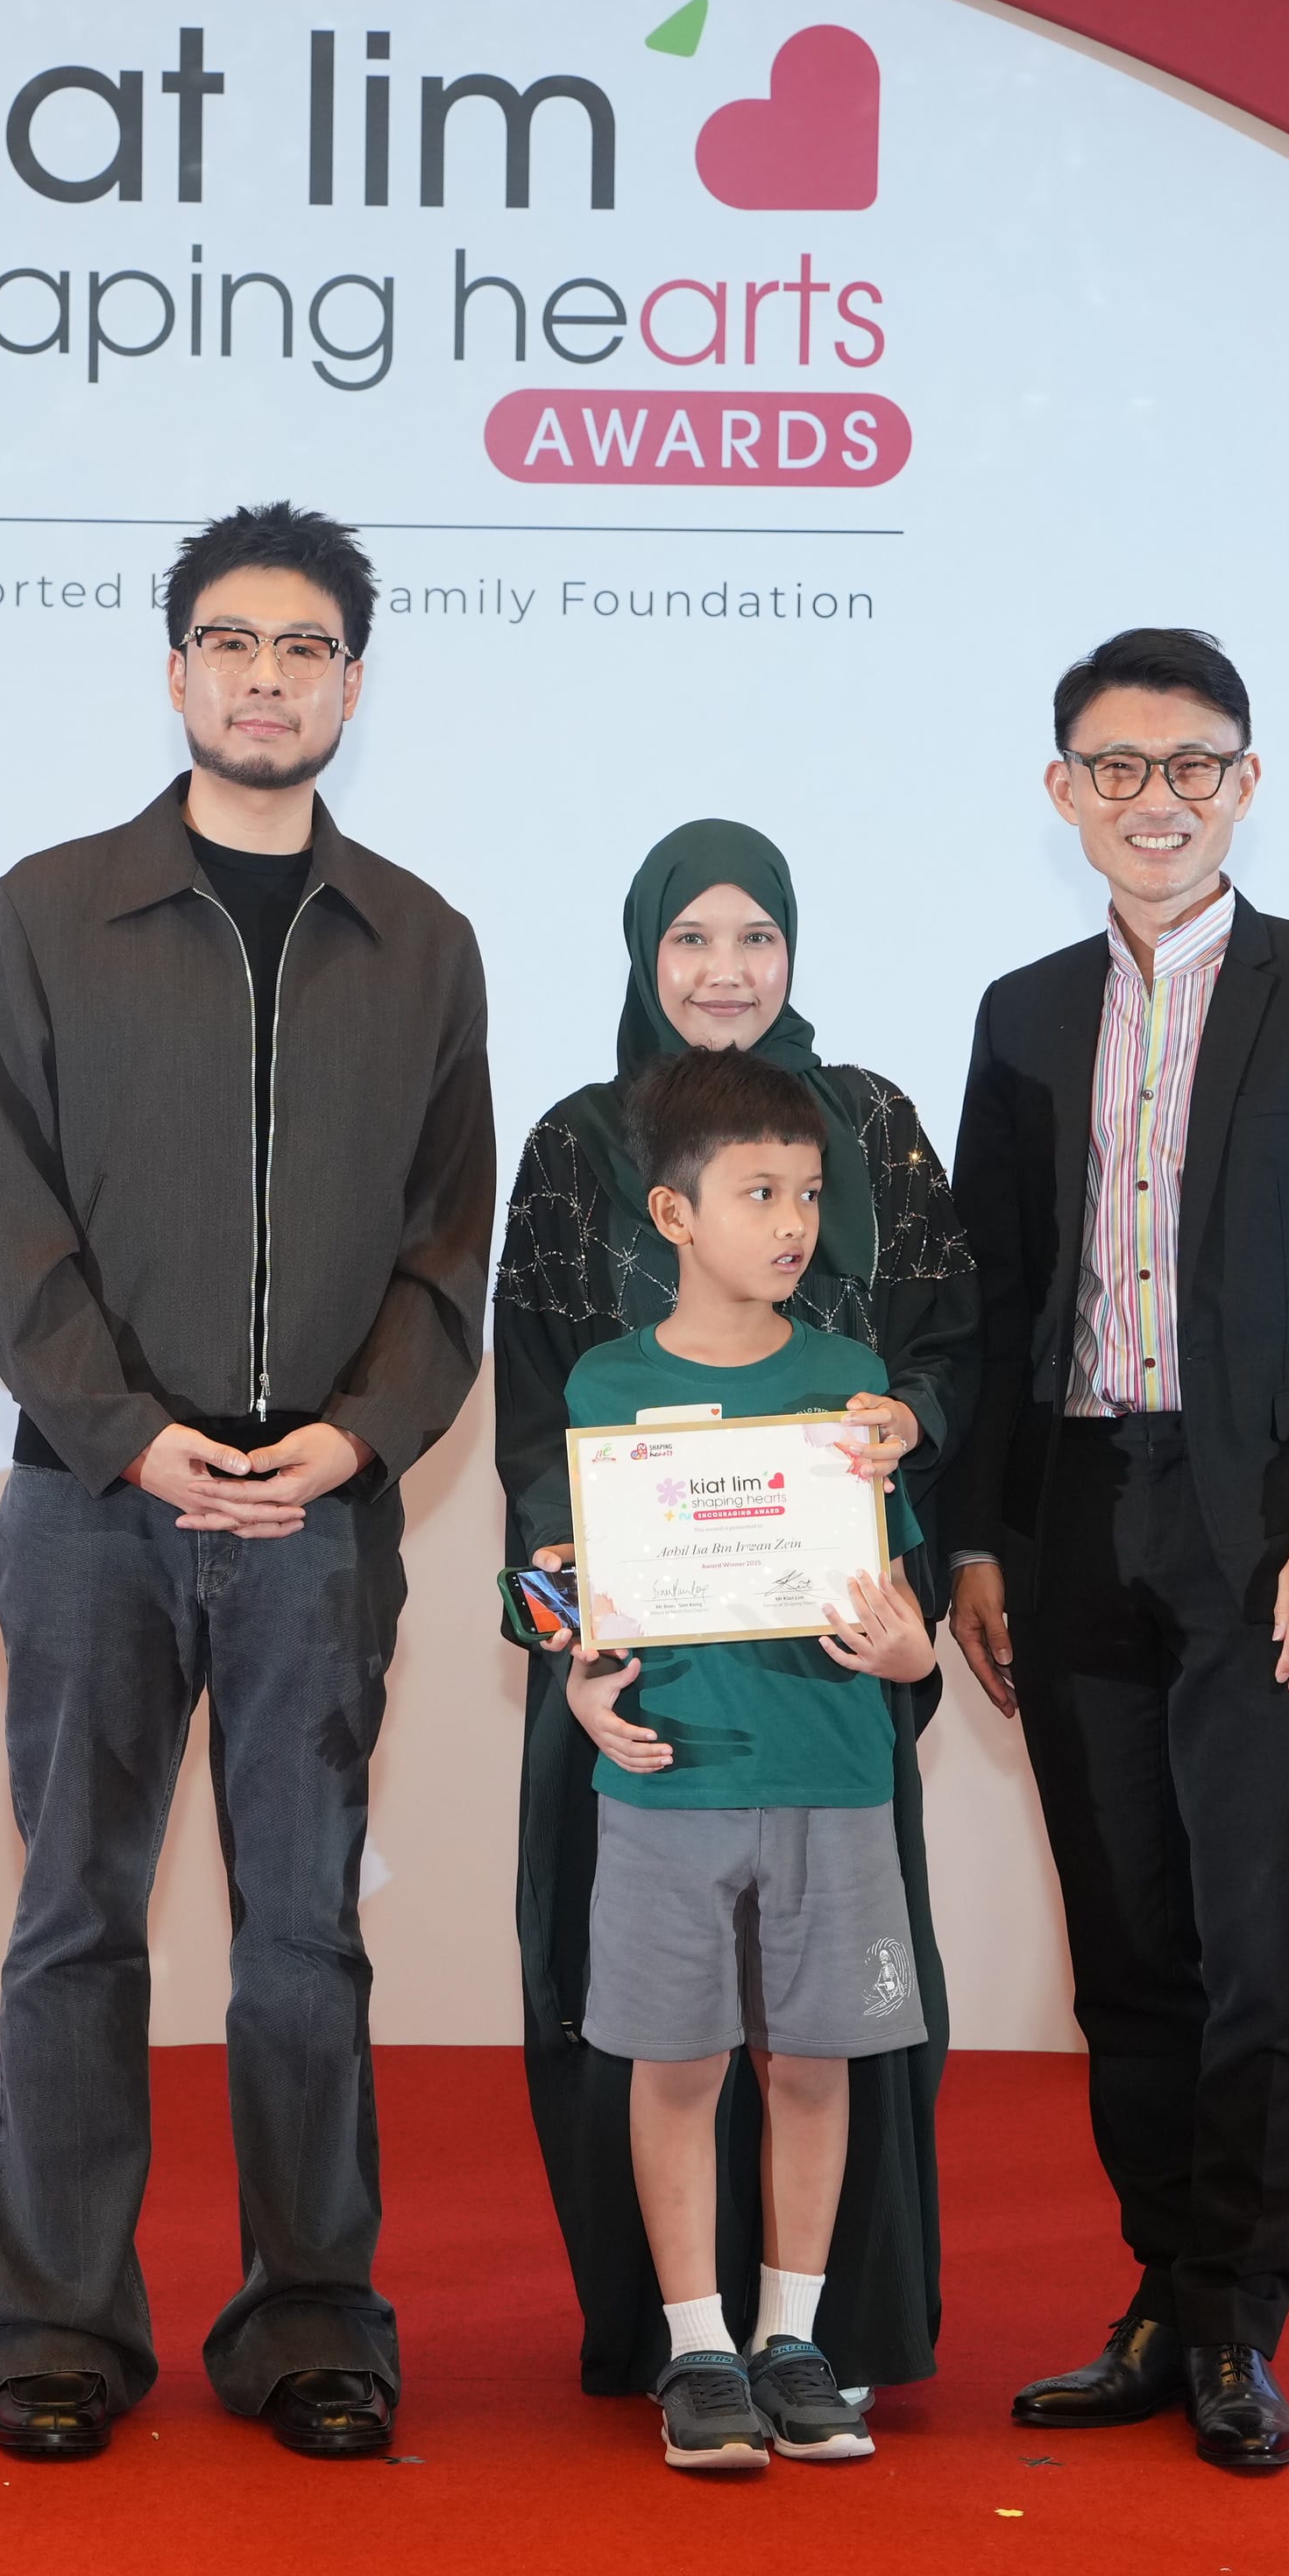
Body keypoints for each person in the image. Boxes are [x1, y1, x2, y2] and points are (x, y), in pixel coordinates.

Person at [0, 500, 496, 2465]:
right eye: (233, 644)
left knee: (303, 1938)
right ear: (176, 668)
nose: (271, 680)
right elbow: (8, 1220)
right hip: (99, 1505)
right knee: (77, 1918)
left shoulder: (421, 943)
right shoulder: (50, 910)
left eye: (309, 648)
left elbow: (451, 1245)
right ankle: (54, 2326)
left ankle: (310, 2321)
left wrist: (355, 1438)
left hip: (320, 1520)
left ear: (357, 678)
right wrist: (125, 1431)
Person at [943, 626, 1289, 2477]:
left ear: (1247, 783)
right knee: (1129, 1950)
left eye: (1193, 766)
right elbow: (996, 1308)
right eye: (1117, 767)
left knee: (1256, 1947)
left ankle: (1240, 2318)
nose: (1154, 799)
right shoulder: (1017, 1012)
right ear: (1062, 789)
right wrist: (981, 1545)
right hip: (1075, 1517)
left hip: (1265, 1539)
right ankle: (1161, 2295)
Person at [492, 821, 976, 2402]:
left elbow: (956, 1342)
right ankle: (673, 2342)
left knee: (833, 2031)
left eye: (755, 937)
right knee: (653, 2026)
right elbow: (537, 1432)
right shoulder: (576, 1140)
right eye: (689, 939)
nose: (724, 971)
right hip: (650, 1692)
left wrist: (911, 1421)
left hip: (827, 1687)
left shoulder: (878, 1124)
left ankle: (823, 2335)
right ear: (643, 954)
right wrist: (575, 1641)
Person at [550, 1048, 940, 2471]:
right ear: (672, 1215)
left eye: (809, 1194)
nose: (790, 1222)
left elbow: (899, 1606)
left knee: (818, 2066)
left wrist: (909, 1659)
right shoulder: (604, 1383)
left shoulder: (851, 1385)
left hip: (836, 1780)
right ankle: (696, 2348)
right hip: (669, 1782)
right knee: (679, 2064)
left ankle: (795, 2339)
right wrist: (581, 1686)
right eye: (758, 1191)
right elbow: (573, 1596)